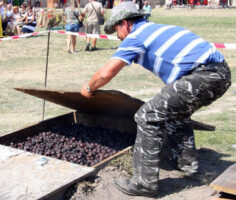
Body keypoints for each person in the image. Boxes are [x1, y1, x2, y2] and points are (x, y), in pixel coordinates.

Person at [80, 1, 231, 197]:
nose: (117, 36)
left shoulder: (135, 37)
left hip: (204, 75)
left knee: (147, 116)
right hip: (219, 73)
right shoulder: (155, 29)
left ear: (125, 23)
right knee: (176, 114)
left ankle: (144, 184)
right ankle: (188, 166)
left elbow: (106, 73)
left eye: (116, 29)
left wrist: (89, 87)